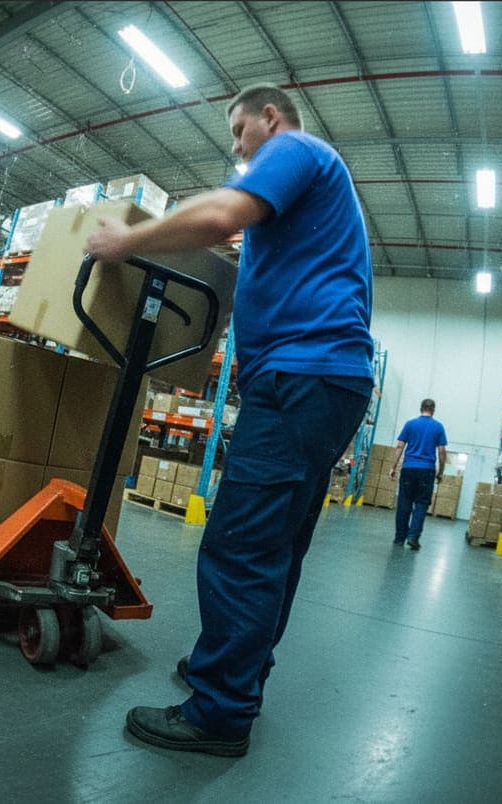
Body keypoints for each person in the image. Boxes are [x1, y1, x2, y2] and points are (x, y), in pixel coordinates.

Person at [84, 83, 374, 757]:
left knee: (241, 542)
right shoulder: (304, 195)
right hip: (321, 379)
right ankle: (238, 672)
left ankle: (219, 711)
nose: (237, 147)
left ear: (269, 117)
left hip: (305, 377)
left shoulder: (295, 149)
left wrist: (125, 240)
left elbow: (219, 215)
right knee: (274, 543)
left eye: (240, 131)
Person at [388, 398, 448, 550]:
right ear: (433, 410)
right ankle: (413, 537)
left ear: (421, 408)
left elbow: (399, 446)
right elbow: (441, 451)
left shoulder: (410, 424)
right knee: (421, 504)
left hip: (408, 468)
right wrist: (440, 472)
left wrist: (392, 467)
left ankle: (399, 538)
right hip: (427, 470)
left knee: (404, 503)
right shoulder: (438, 427)